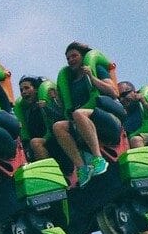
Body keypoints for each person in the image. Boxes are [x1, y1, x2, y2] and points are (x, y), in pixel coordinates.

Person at [51, 41, 119, 186]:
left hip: (106, 116)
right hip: (82, 119)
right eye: (68, 58)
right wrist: (56, 99)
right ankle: (82, 168)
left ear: (83, 56)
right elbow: (67, 108)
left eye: (74, 56)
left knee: (78, 114)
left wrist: (92, 78)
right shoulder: (70, 80)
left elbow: (114, 92)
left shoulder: (97, 69)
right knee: (58, 126)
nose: (71, 60)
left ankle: (98, 159)